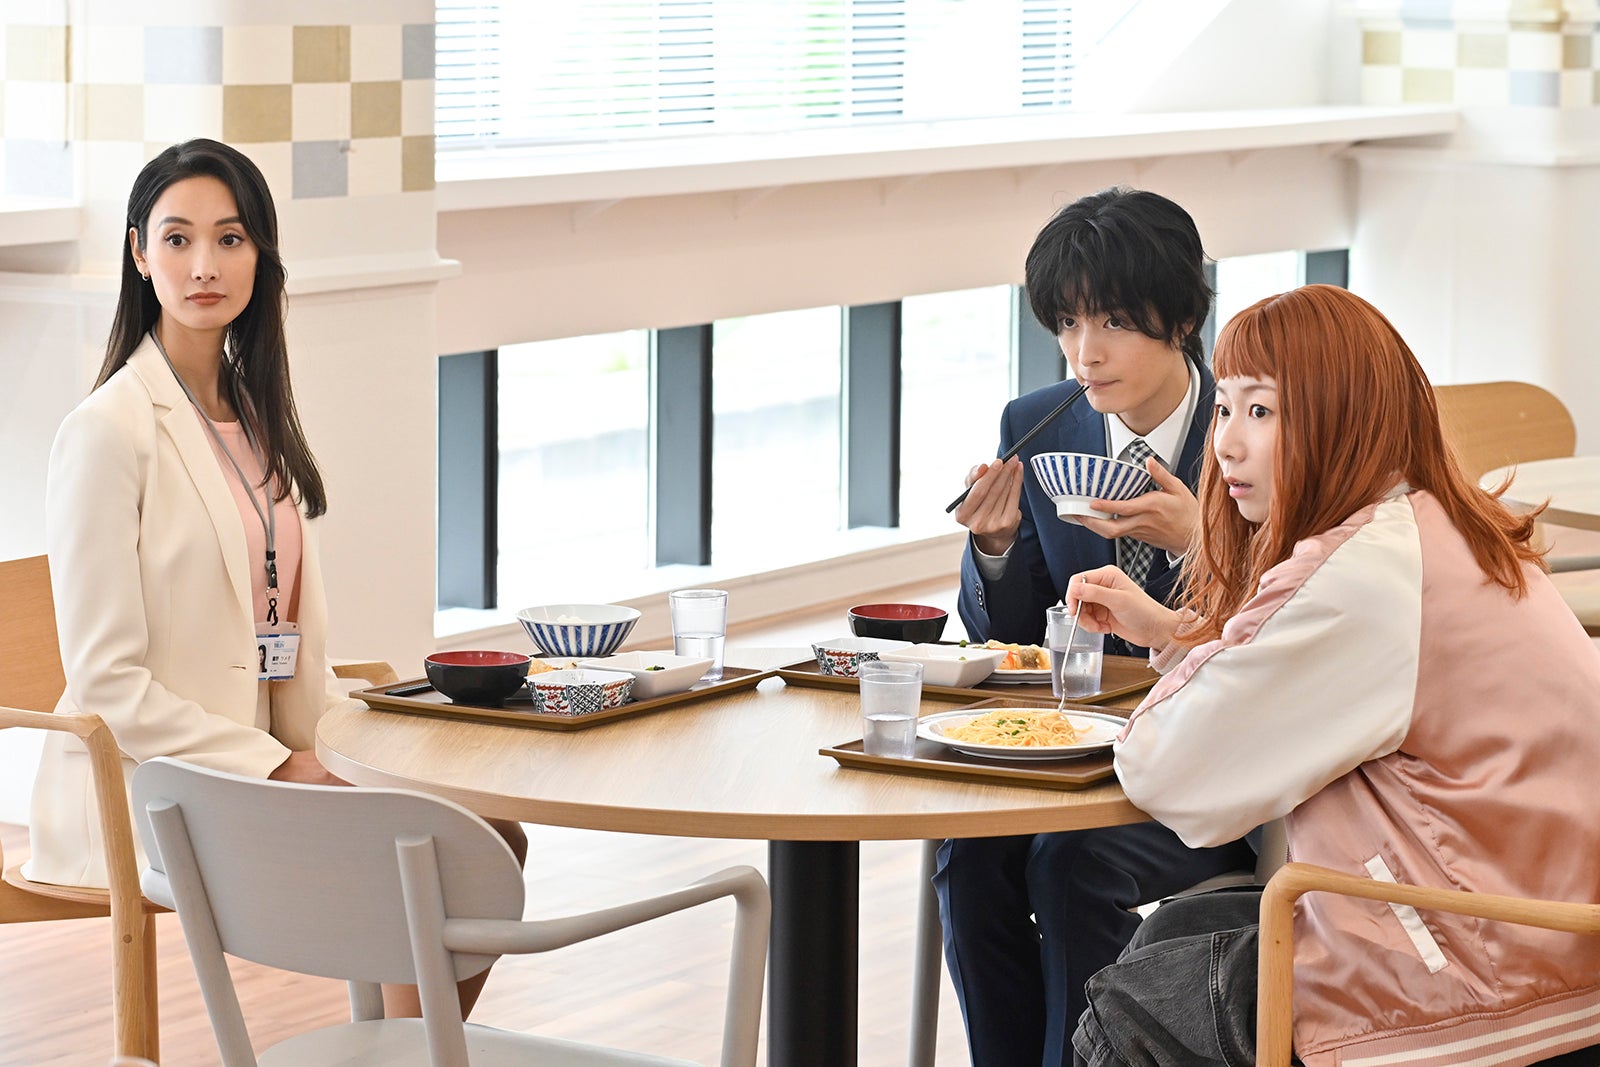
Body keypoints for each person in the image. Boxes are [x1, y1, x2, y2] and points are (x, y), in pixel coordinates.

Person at [26, 138, 526, 1019]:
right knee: (436, 851)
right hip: (160, 783)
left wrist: (369, 735)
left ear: (261, 255)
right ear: (139, 254)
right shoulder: (107, 431)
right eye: (177, 239)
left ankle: (404, 1052)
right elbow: (105, 681)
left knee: (493, 832)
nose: (204, 265)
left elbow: (274, 635)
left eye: (230, 238)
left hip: (264, 759)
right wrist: (276, 765)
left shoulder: (255, 415)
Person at [1067, 284, 1600, 1067]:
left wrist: (1202, 645)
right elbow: (1290, 694)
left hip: (1480, 981)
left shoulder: (1362, 575)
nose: (1227, 444)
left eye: (1262, 410)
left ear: (1342, 416)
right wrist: (1180, 634)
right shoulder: (1435, 527)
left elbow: (1168, 772)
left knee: (1128, 1014)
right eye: (1225, 408)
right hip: (1547, 943)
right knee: (1175, 935)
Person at [937, 187, 1256, 1067]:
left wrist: (1202, 541)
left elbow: (1287, 616)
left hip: (1213, 754)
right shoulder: (1037, 424)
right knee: (969, 855)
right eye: (1069, 322)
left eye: (1114, 320)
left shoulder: (1249, 430)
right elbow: (1014, 635)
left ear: (1184, 318)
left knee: (1069, 863)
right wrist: (994, 547)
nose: (1086, 351)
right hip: (1079, 743)